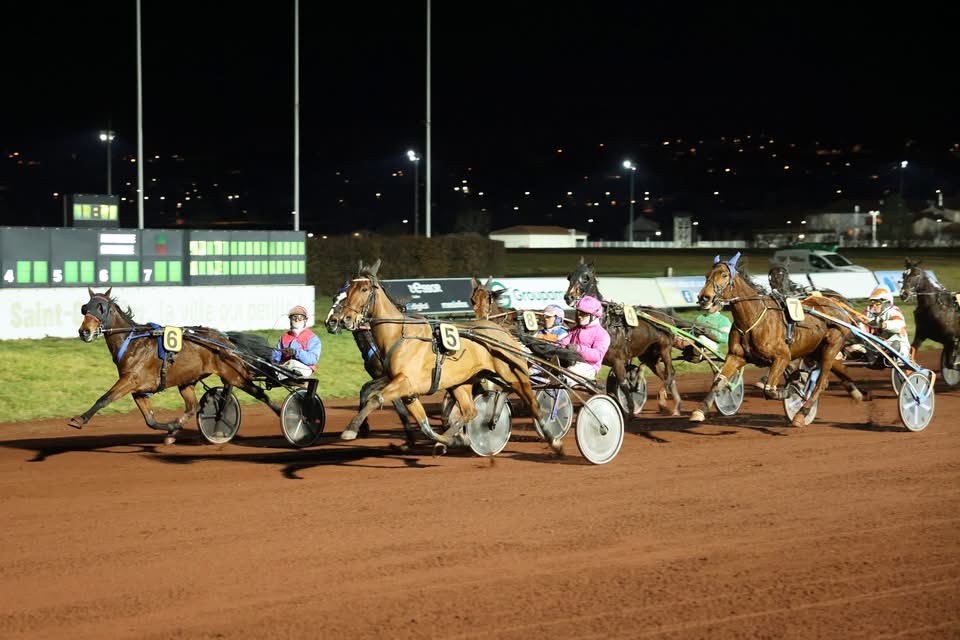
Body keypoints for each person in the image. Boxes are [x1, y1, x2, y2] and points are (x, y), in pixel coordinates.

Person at [558, 295, 610, 381]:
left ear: (594, 315)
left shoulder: (602, 334)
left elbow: (597, 355)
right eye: (578, 312)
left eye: (583, 314)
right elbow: (563, 343)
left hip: (589, 367)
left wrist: (578, 349)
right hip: (570, 361)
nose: (579, 316)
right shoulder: (575, 329)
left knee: (567, 373)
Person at [271, 305, 321, 379]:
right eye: (294, 317)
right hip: (285, 367)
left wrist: (296, 352)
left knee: (292, 363)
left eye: (300, 318)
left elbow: (313, 359)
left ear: (305, 320)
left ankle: (279, 376)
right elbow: (276, 357)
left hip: (305, 368)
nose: (297, 320)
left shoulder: (313, 338)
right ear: (290, 319)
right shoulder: (284, 337)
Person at [863, 286, 910, 364]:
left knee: (896, 346)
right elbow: (863, 328)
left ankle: (892, 356)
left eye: (877, 302)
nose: (874, 305)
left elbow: (899, 325)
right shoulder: (870, 313)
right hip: (879, 344)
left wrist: (884, 325)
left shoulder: (893, 311)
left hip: (898, 344)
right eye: (873, 302)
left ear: (886, 303)